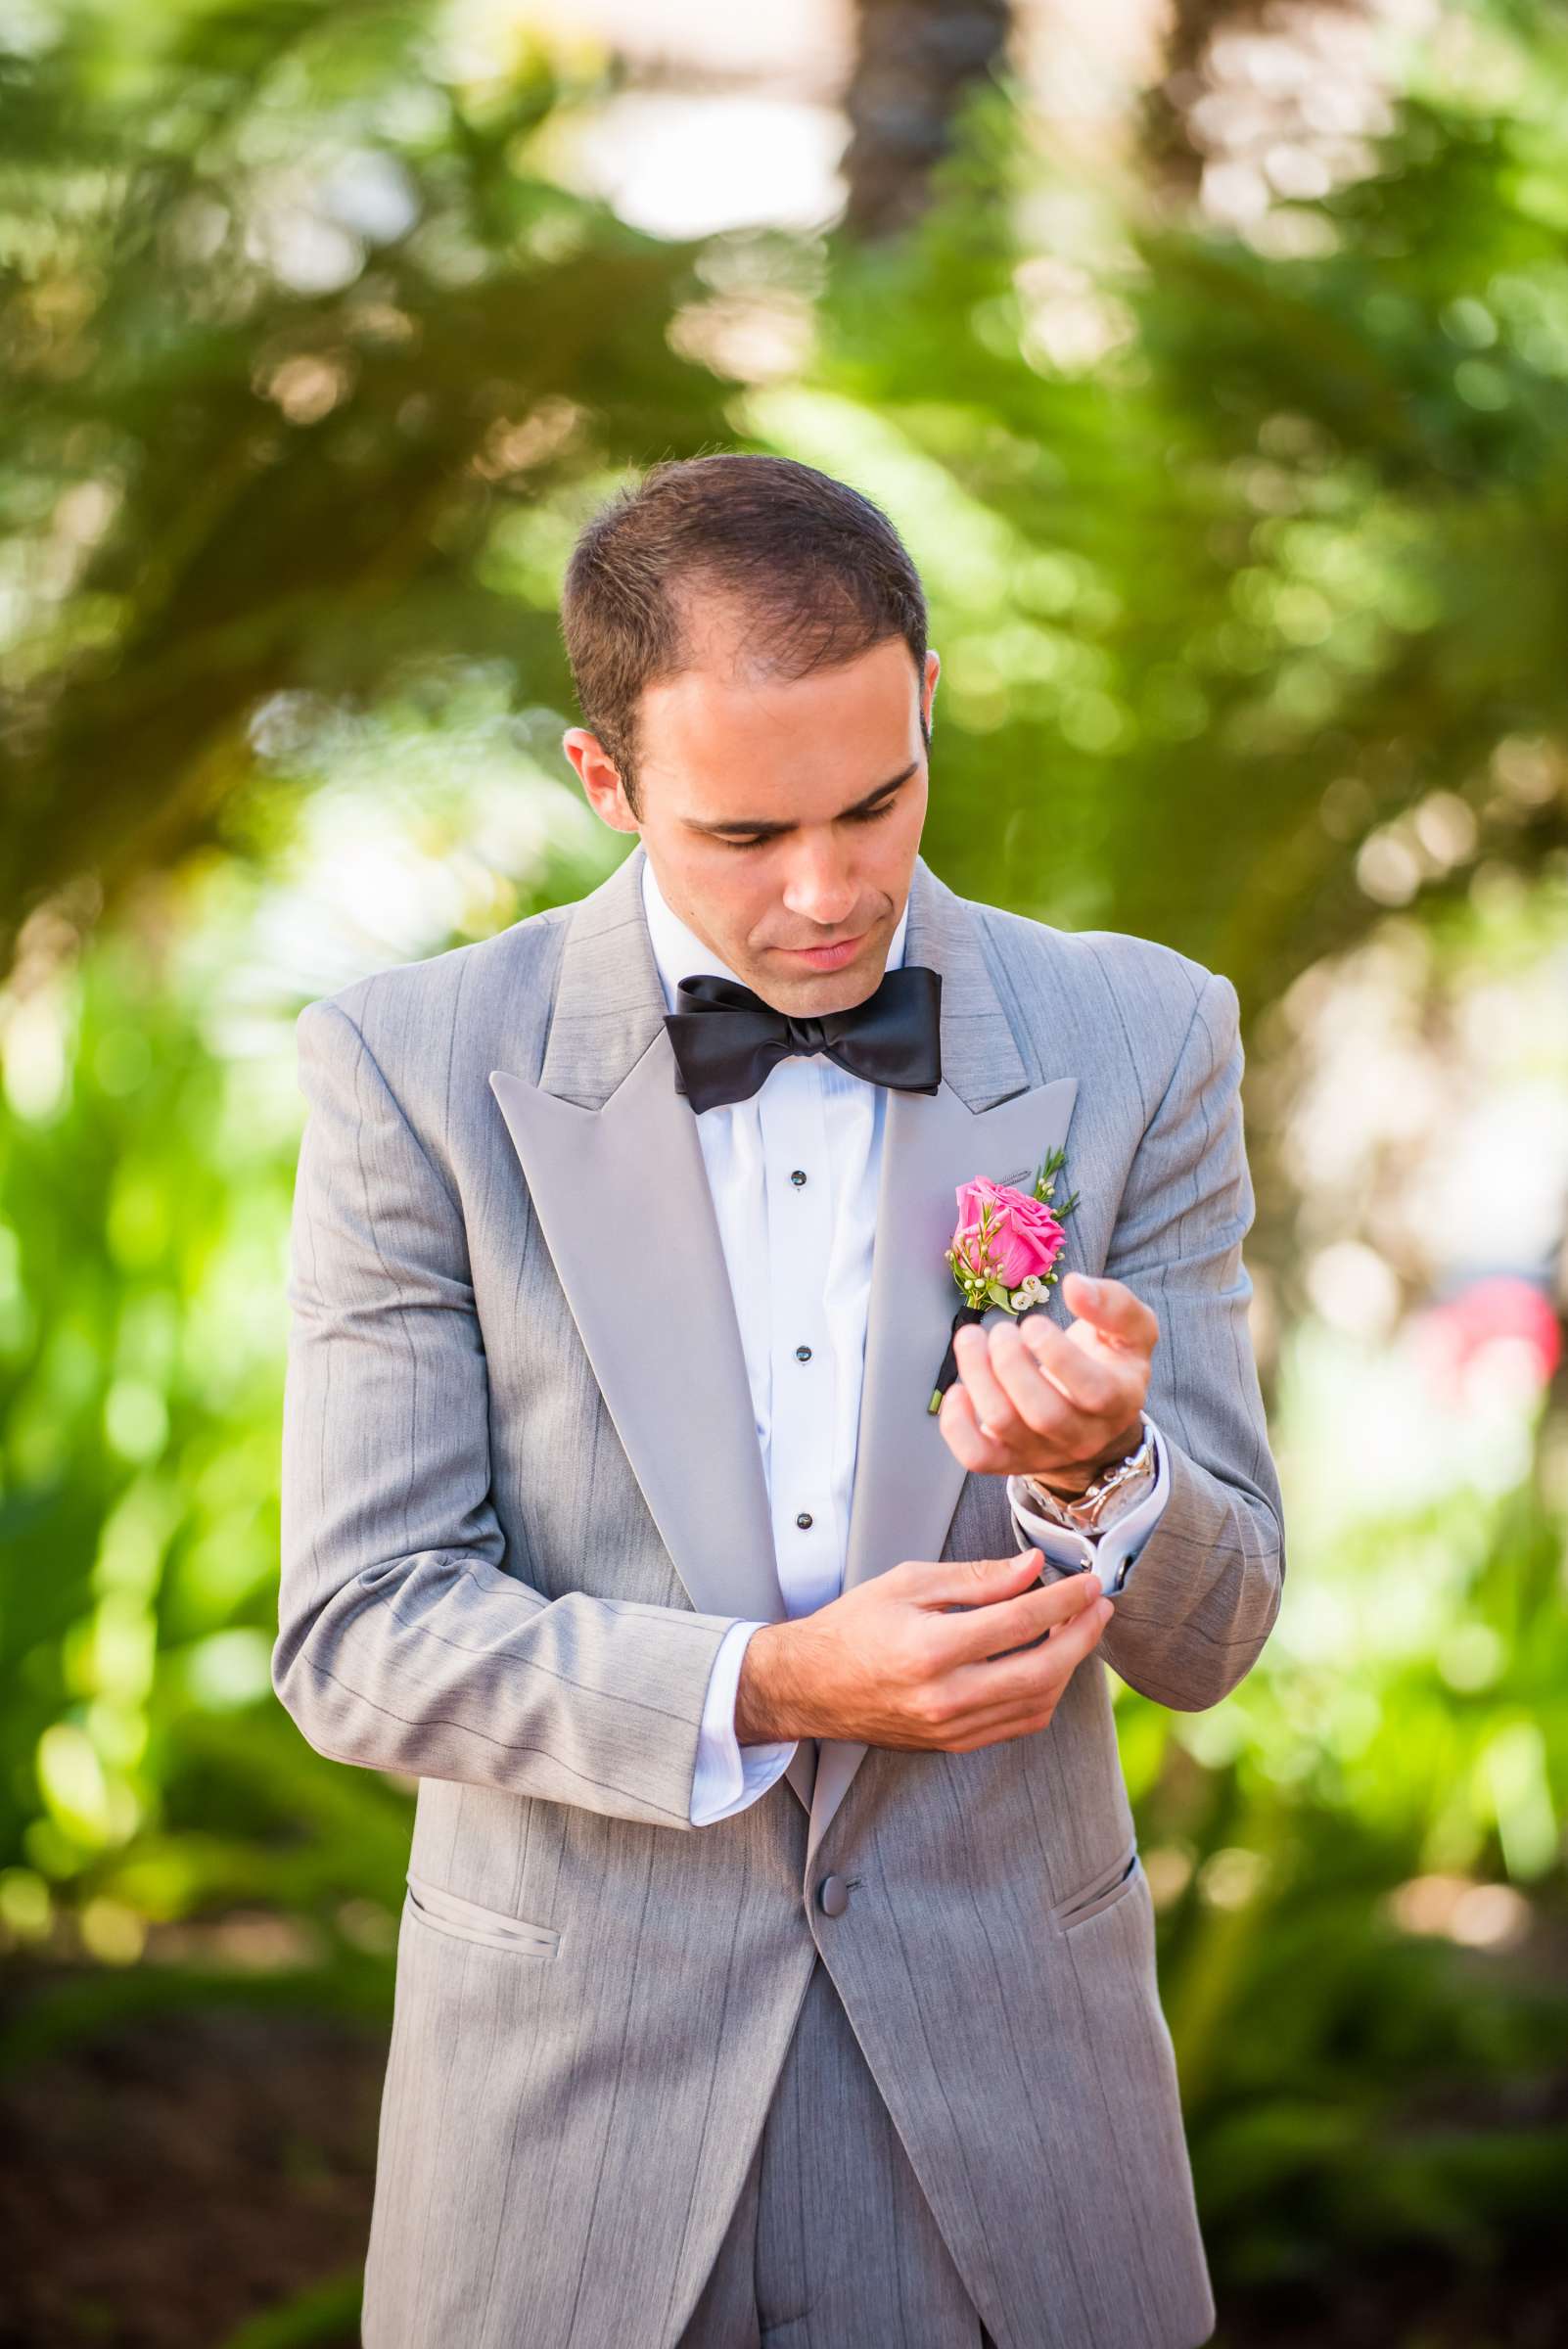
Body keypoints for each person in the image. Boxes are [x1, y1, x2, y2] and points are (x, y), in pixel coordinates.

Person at [272, 451, 1285, 2349]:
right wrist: (770, 1685)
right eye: (744, 836)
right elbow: (359, 1638)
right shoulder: (409, 1072)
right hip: (568, 2151)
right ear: (606, 781)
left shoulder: (1144, 1039)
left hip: (1017, 2141)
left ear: (926, 712)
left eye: (877, 801)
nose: (829, 895)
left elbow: (1219, 1634)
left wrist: (1104, 1468)